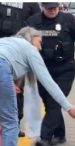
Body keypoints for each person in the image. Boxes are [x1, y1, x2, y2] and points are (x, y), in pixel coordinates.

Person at [0, 27, 75, 146]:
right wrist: (68, 107)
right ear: (31, 39)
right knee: (10, 122)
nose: (40, 46)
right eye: (39, 41)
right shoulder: (29, 49)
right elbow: (48, 82)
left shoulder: (7, 42)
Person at [27, 2, 75, 146]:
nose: (53, 11)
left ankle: (45, 138)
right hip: (42, 69)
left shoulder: (67, 19)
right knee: (50, 103)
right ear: (43, 7)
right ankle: (60, 134)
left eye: (55, 8)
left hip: (65, 69)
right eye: (49, 8)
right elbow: (26, 44)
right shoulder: (33, 21)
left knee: (55, 100)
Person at [0, 2, 41, 137]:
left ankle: (14, 124)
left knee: (16, 89)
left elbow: (36, 25)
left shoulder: (30, 4)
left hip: (18, 53)